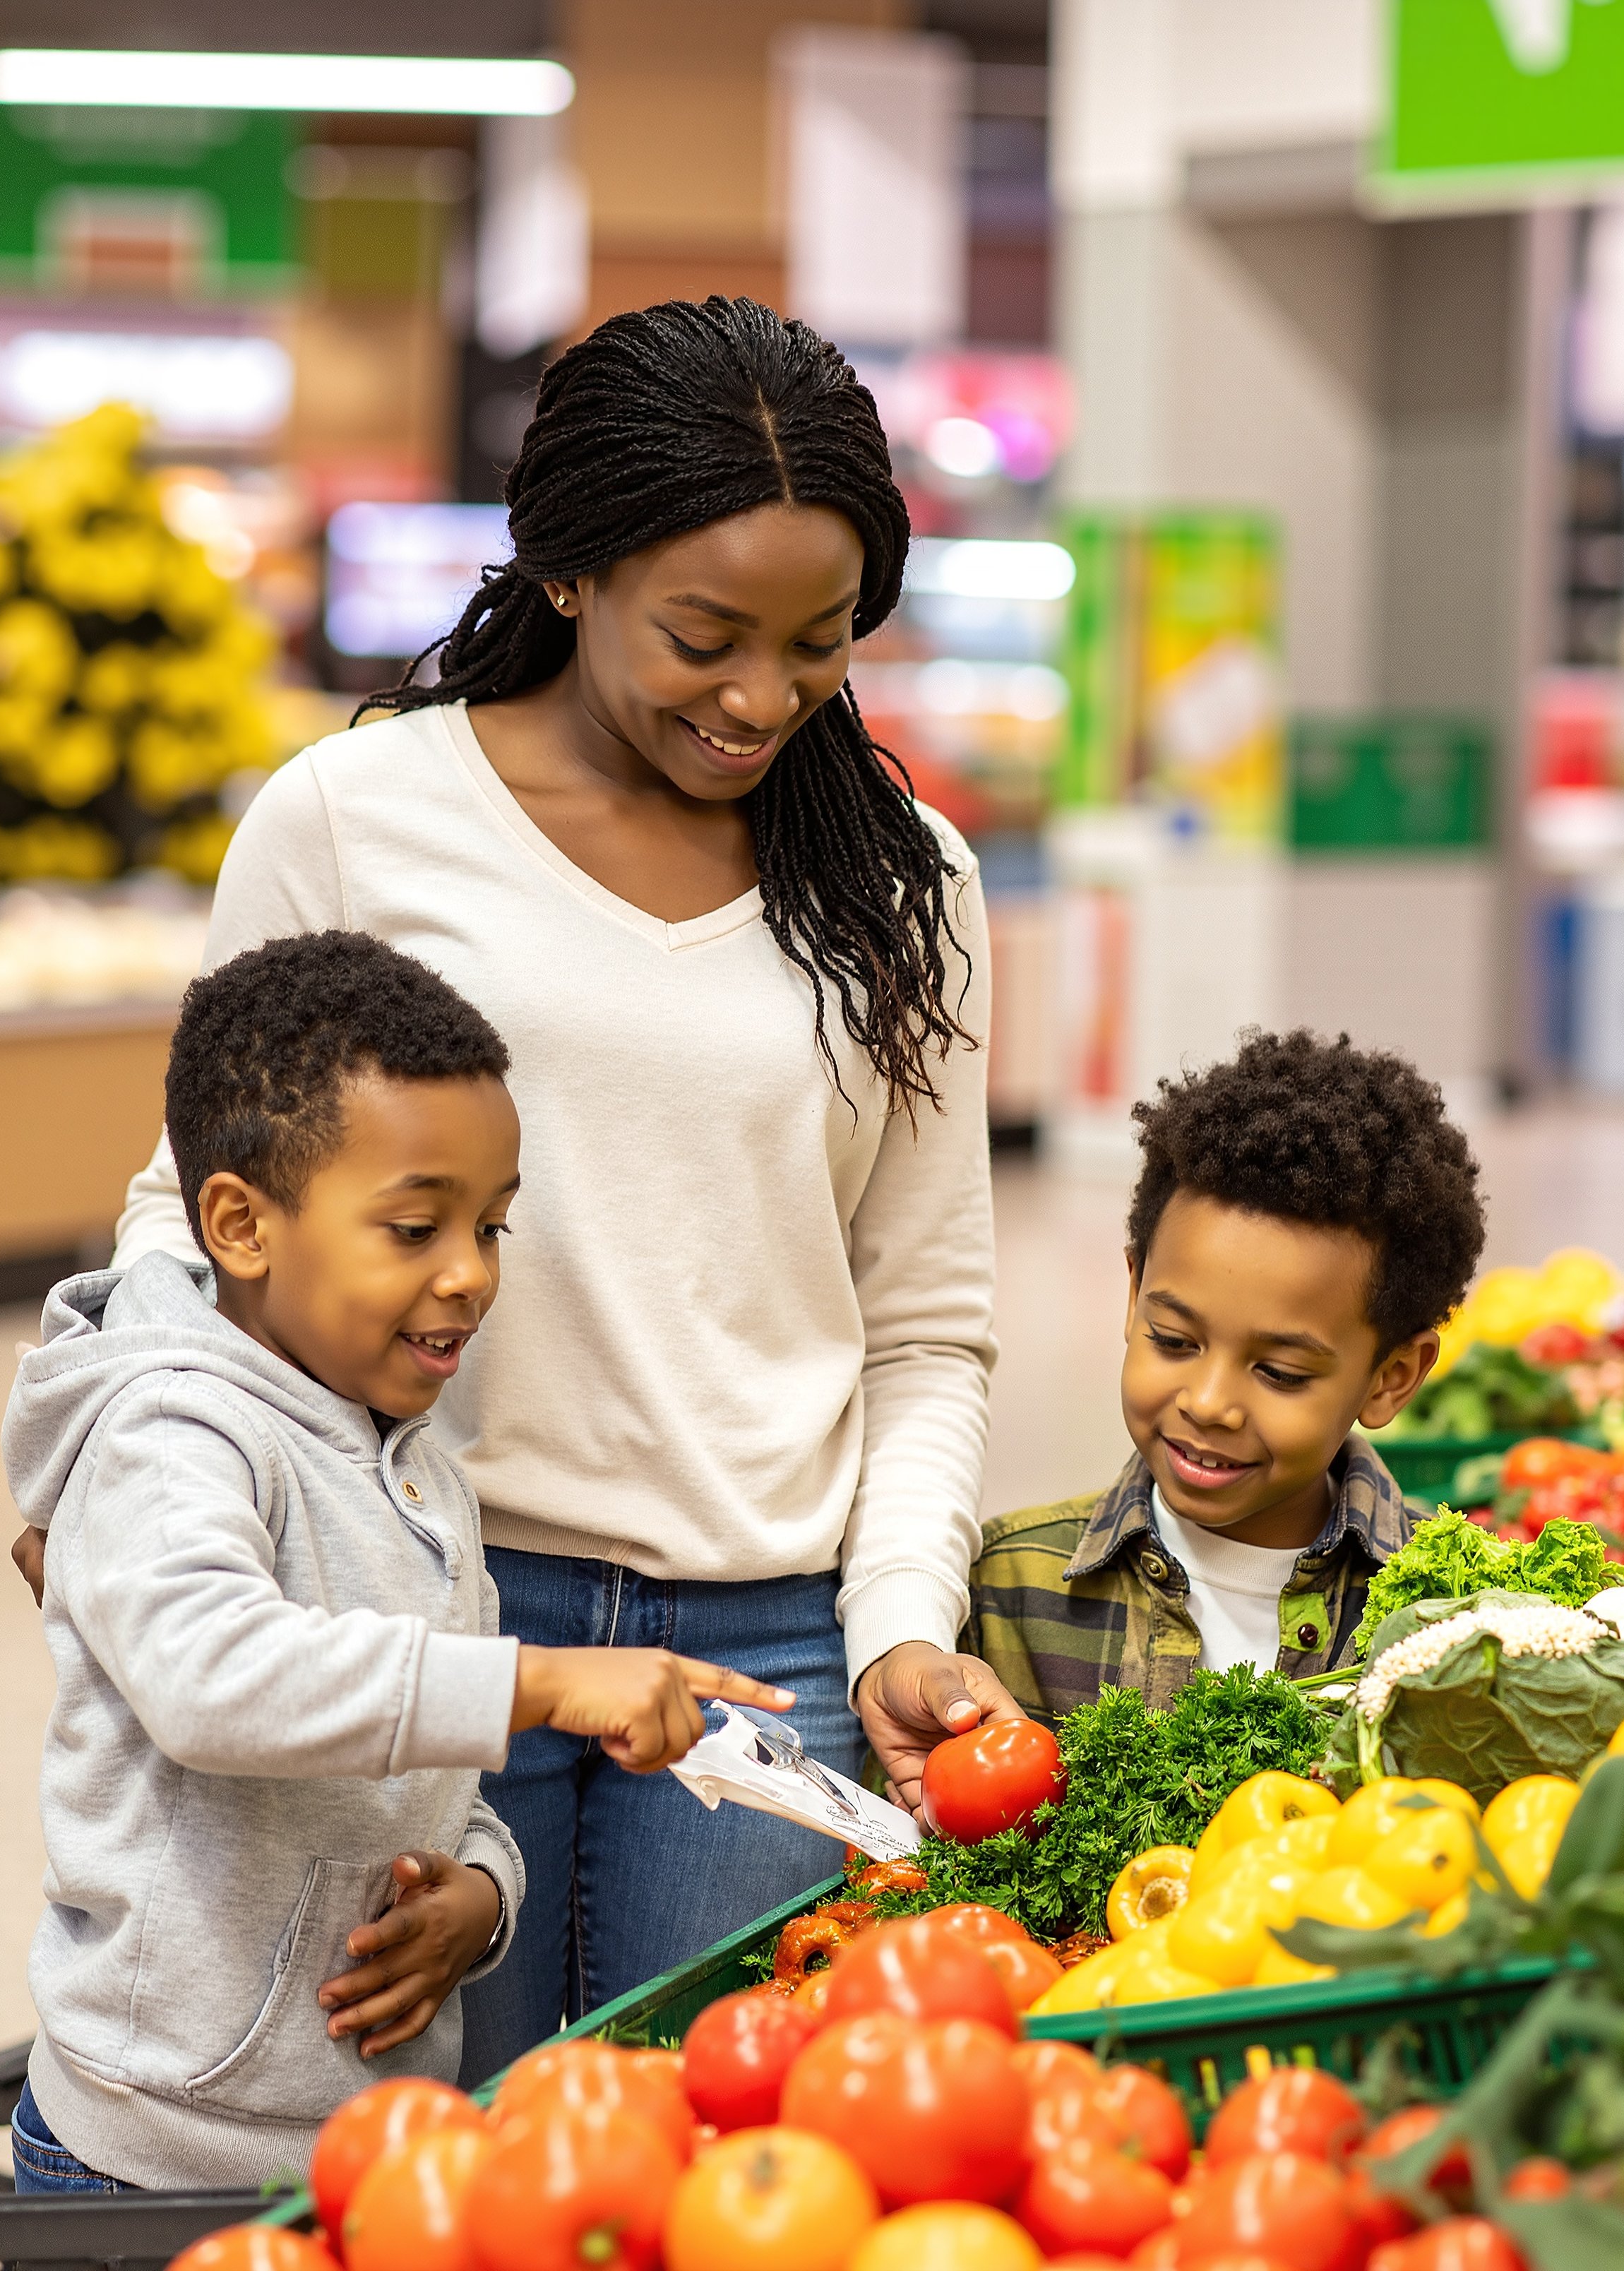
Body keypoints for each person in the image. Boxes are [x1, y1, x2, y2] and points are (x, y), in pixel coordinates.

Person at [93, 296, 1018, 2078]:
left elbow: (926, 1322)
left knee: (709, 2171)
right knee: (427, 2171)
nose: (764, 697)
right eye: (707, 635)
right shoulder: (356, 819)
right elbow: (188, 1209)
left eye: (821, 641)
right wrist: (121, 1466)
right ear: (571, 571)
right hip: (408, 1618)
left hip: (768, 1655)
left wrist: (903, 1613)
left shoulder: (907, 885)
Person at [4, 931, 790, 2193]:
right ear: (240, 1226)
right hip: (158, 2159)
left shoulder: (414, 1467)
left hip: (369, 2141)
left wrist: (483, 1892)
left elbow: (427, 1756)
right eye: (417, 1226)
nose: (472, 1274)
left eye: (492, 1225)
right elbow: (212, 1679)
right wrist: (540, 1682)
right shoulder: (170, 1433)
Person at [963, 1030, 1488, 1716]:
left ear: (1391, 1377)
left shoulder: (1458, 1616)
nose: (1209, 1404)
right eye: (1175, 1341)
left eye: (1278, 1372)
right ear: (1132, 1297)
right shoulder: (1006, 1594)